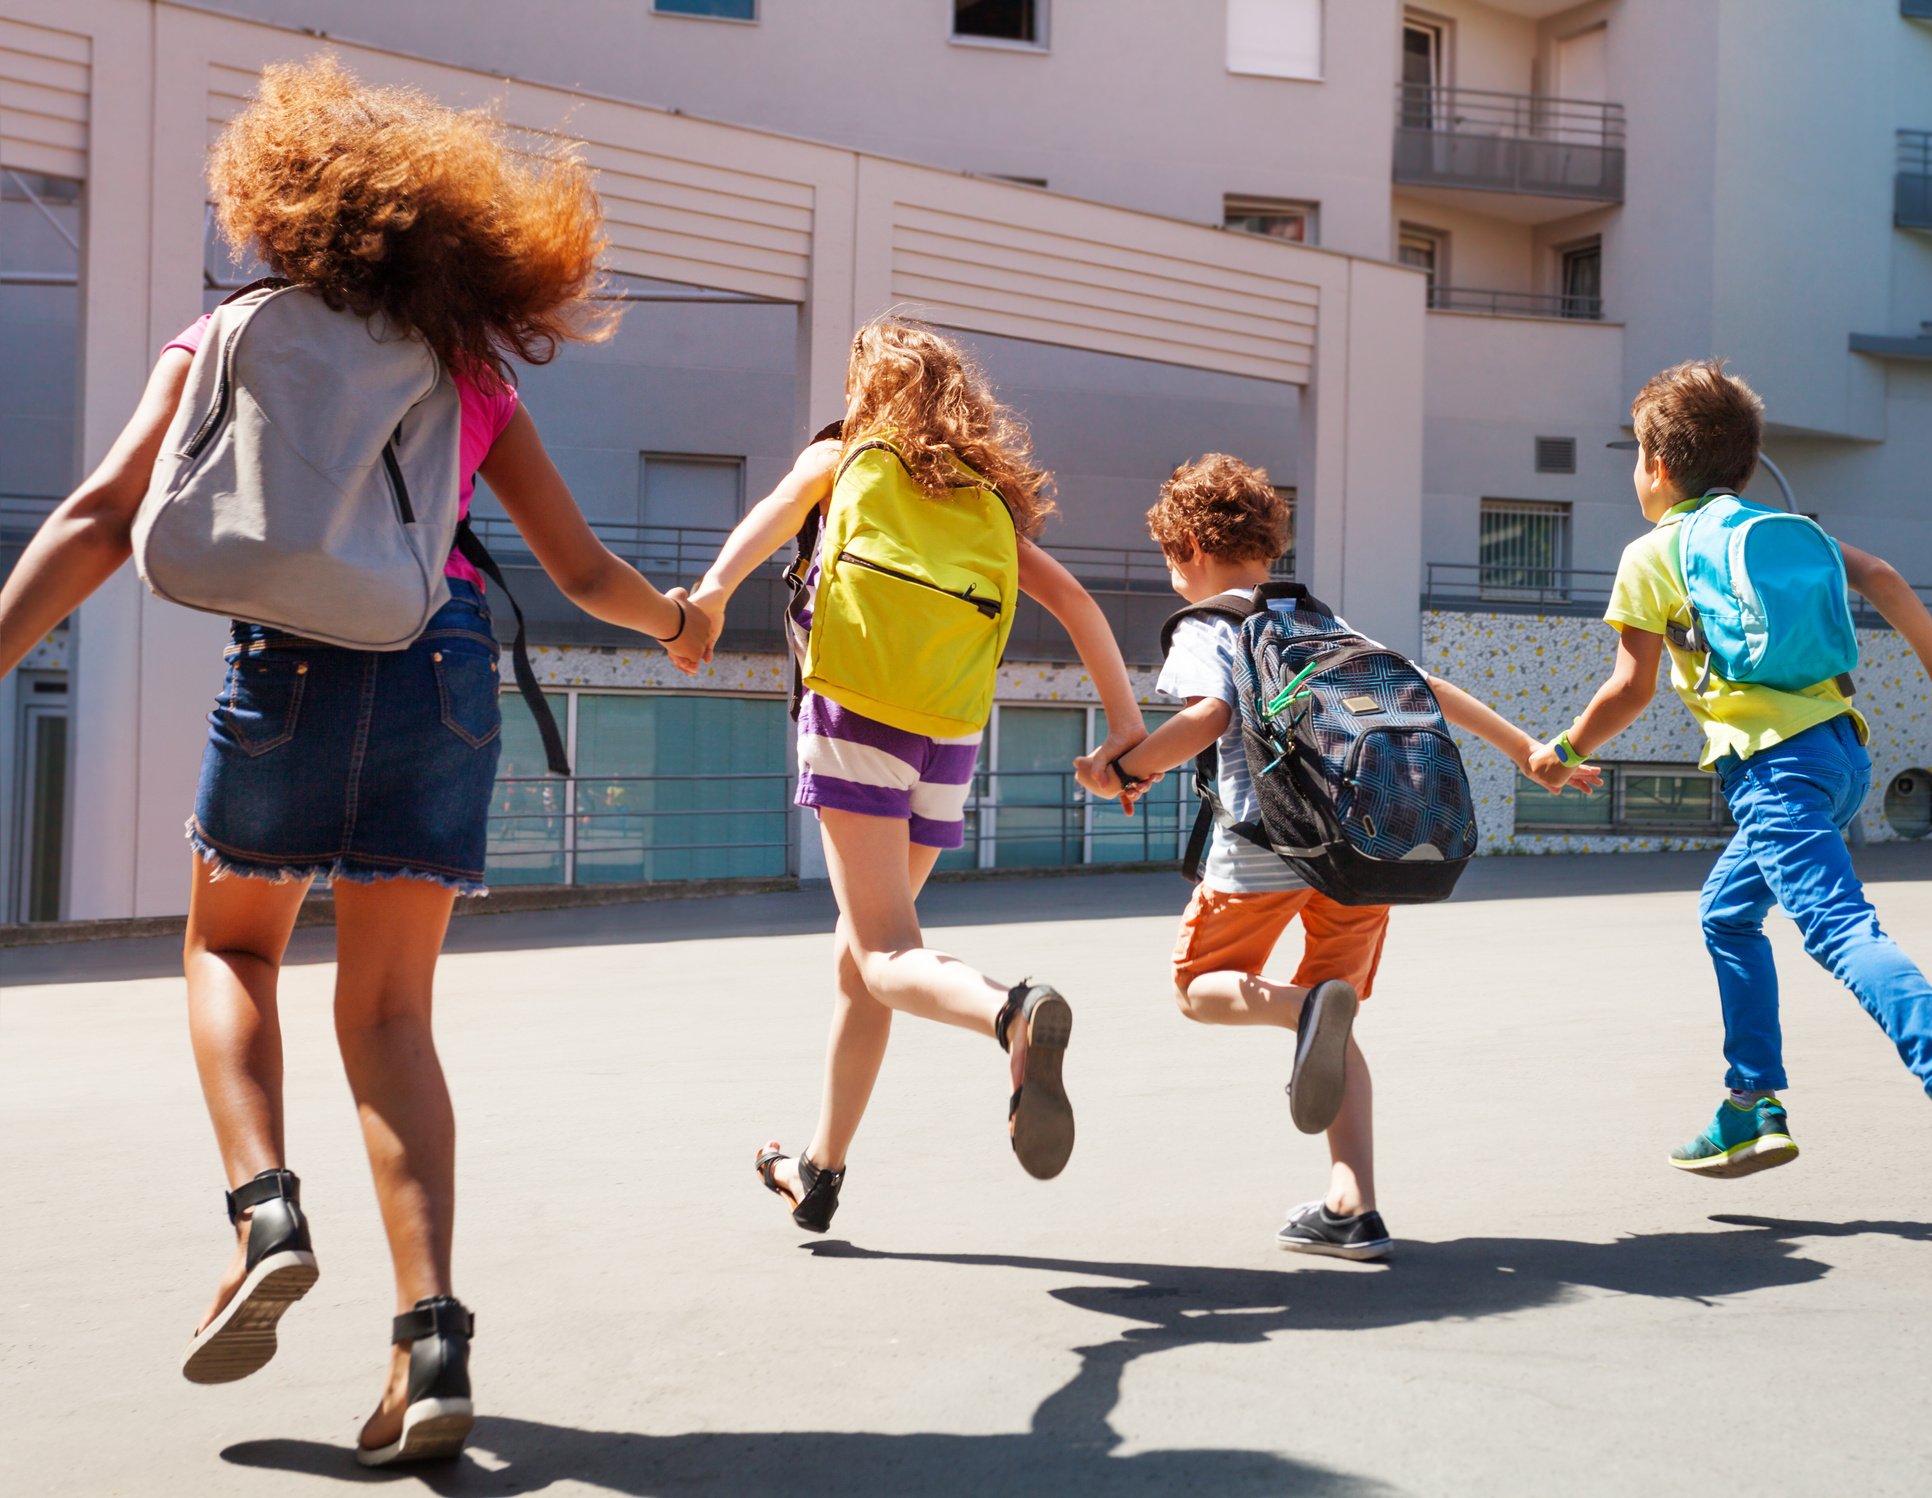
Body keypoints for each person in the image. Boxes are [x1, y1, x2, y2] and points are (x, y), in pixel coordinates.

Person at [0, 58, 716, 1464]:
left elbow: (99, 514)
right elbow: (577, 569)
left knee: (235, 952)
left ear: (282, 205)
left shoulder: (226, 334)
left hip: (284, 669)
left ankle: (265, 1207)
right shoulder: (466, 370)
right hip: (439, 667)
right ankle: (430, 1339)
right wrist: (682, 621)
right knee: (390, 1015)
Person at [1524, 359, 1932, 1236]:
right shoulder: (1787, 528)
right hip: (1839, 753)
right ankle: (1750, 1106)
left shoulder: (1652, 555)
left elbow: (1629, 689)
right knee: (1726, 912)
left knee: (1839, 929)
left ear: (1654, 462)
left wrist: (1563, 750)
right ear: (1744, 462)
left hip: (1773, 771)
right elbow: (1878, 573)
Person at [679, 319, 1148, 1231]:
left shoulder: (848, 456)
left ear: (869, 391)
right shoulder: (983, 503)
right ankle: (819, 1169)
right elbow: (1082, 604)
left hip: (857, 710)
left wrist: (704, 602)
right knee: (866, 965)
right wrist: (1125, 734)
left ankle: (1010, 1014)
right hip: (949, 738)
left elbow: (762, 520)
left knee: (886, 955)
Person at [1078, 455, 1602, 1259]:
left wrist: (1124, 766)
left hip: (1262, 847)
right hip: (1359, 850)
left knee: (1195, 989)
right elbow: (1423, 686)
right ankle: (1351, 1203)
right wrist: (1529, 751)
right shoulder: (1320, 622)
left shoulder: (1207, 626)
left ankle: (1297, 1013)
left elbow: (1212, 716)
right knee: (1337, 1007)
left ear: (1186, 544)